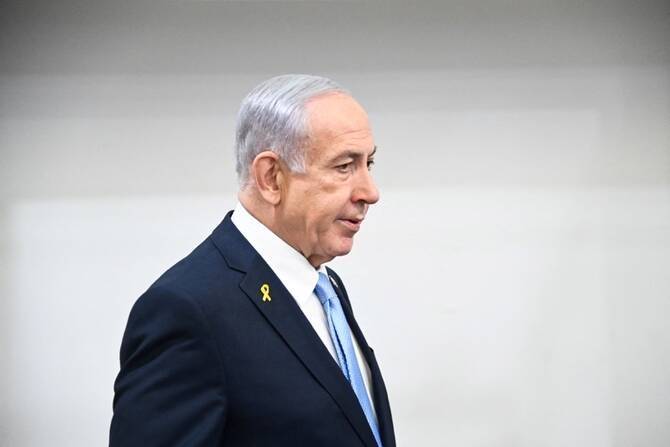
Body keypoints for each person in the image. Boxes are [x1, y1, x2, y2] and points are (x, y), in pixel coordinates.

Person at [109, 74, 395, 447]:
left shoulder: (324, 287)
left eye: (368, 163)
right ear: (271, 177)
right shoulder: (187, 310)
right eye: (344, 167)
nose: (370, 192)